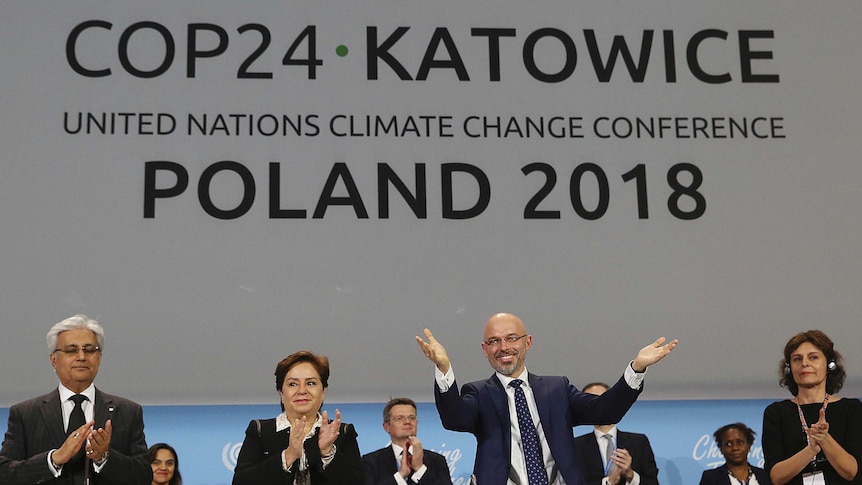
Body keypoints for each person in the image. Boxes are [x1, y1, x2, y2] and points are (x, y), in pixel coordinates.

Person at [415, 312, 678, 485]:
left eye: (511, 338)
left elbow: (605, 412)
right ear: (485, 350)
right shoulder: (478, 393)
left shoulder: (556, 388)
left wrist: (636, 369)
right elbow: (455, 419)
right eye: (494, 341)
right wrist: (443, 369)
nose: (503, 347)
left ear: (527, 342)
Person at [0, 314, 152, 485]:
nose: (81, 356)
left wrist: (105, 457)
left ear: (99, 358)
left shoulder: (128, 411)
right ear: (53, 360)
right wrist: (54, 459)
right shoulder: (26, 414)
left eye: (89, 350)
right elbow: (4, 474)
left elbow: (144, 476)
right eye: (71, 350)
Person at [232, 350, 363, 485]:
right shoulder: (260, 431)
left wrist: (327, 453)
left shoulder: (342, 432)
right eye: (292, 384)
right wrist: (288, 456)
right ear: (281, 393)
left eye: (310, 383)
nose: (302, 390)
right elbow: (241, 481)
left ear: (323, 391)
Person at [761, 330, 861, 485]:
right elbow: (776, 477)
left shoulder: (851, 409)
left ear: (830, 364)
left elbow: (852, 472)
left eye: (813, 357)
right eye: (797, 359)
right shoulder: (776, 413)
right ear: (789, 368)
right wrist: (811, 450)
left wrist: (824, 439)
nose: (804, 363)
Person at [572, 382, 659, 485]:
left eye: (601, 400)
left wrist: (631, 476)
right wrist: (607, 482)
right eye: (591, 403)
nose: (598, 407)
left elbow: (653, 482)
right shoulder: (575, 446)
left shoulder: (639, 442)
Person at [362, 397, 453, 485]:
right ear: (387, 426)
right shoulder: (371, 461)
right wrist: (400, 475)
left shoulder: (436, 461)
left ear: (417, 423)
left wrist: (420, 469)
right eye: (400, 418)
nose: (407, 422)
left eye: (412, 417)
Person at [699, 423, 771, 485]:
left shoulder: (764, 476)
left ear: (749, 446)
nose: (735, 448)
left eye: (740, 442)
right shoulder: (711, 478)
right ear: (721, 449)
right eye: (728, 444)